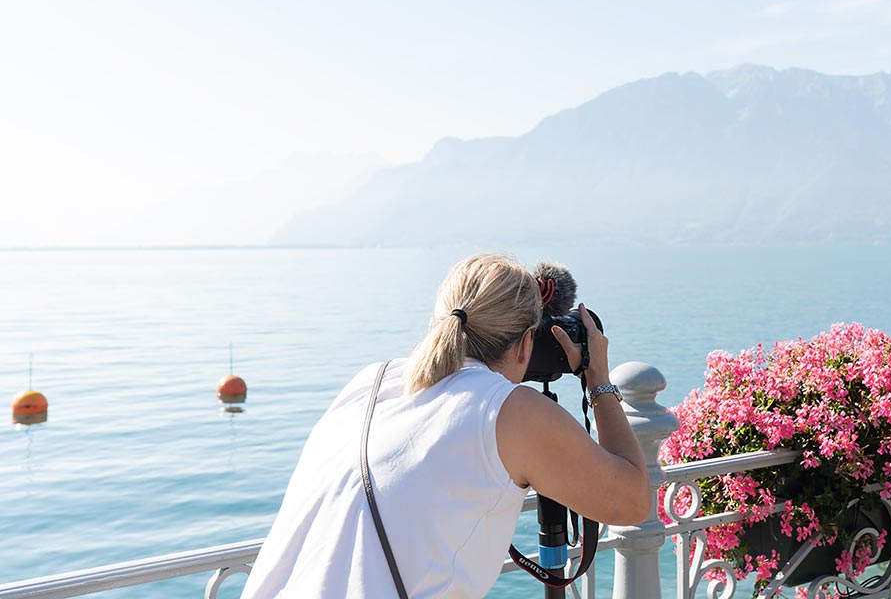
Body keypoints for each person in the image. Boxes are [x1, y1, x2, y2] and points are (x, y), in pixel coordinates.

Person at [240, 253, 650, 599]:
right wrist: (598, 379)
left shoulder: (371, 381)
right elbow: (633, 502)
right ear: (528, 343)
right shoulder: (511, 412)